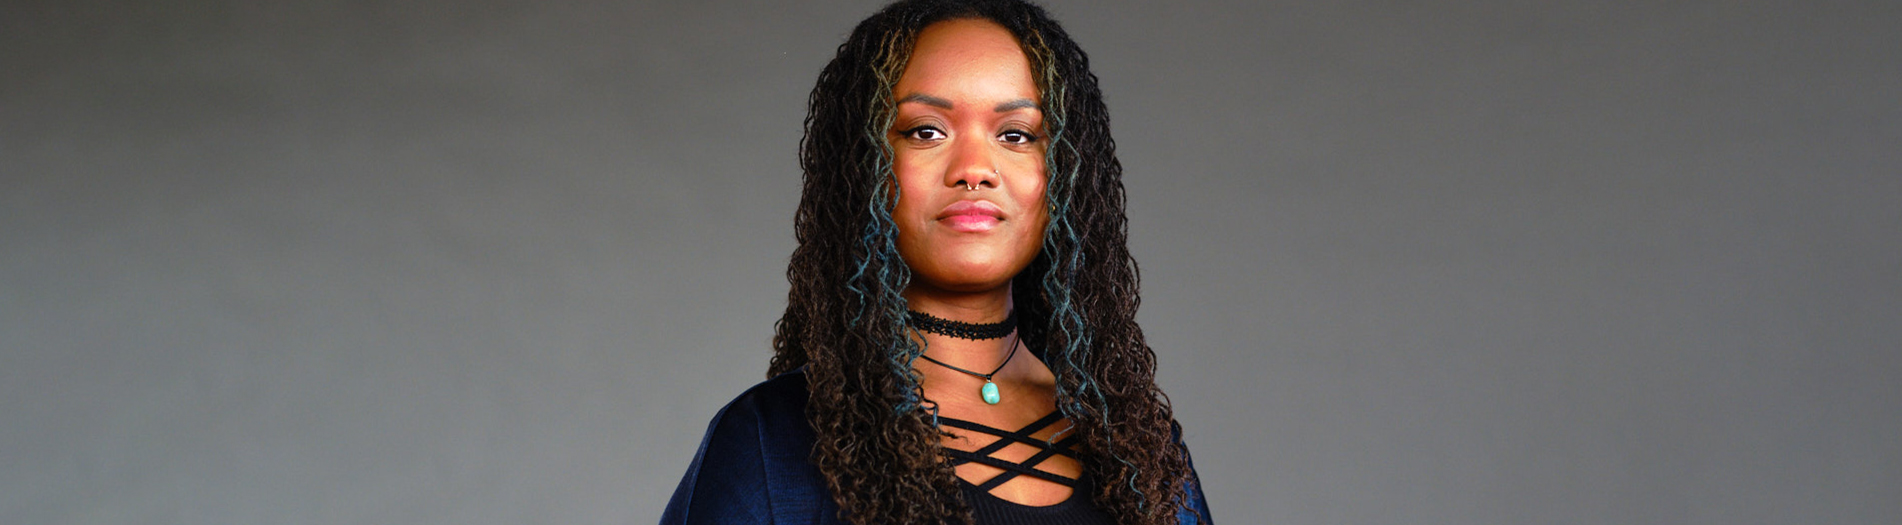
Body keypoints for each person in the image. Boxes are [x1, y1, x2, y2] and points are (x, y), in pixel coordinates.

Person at [662, 1, 1211, 523]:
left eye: (1016, 134)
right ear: (864, 169)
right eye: (926, 131)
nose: (974, 169)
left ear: (1065, 175)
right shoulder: (771, 443)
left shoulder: (1137, 449)